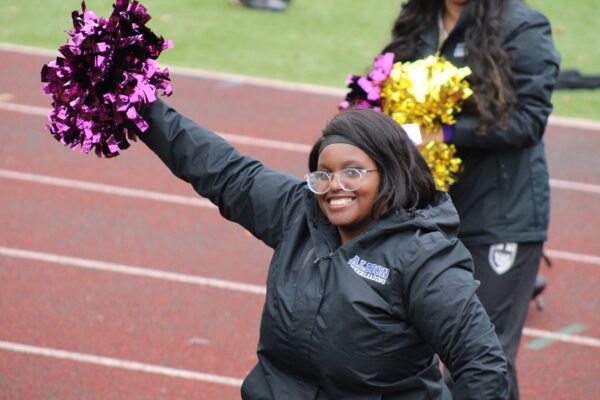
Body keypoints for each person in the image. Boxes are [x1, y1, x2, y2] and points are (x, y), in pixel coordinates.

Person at [138, 98, 509, 399]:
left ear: (391, 172)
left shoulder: (423, 258)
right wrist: (139, 106)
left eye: (353, 172)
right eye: (324, 173)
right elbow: (224, 170)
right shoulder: (299, 213)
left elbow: (482, 363)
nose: (335, 186)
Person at [380, 1, 560, 399]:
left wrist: (443, 133)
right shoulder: (421, 18)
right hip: (427, 210)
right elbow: (387, 88)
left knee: (481, 358)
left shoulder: (522, 24)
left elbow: (529, 120)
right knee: (418, 348)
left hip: (502, 214)